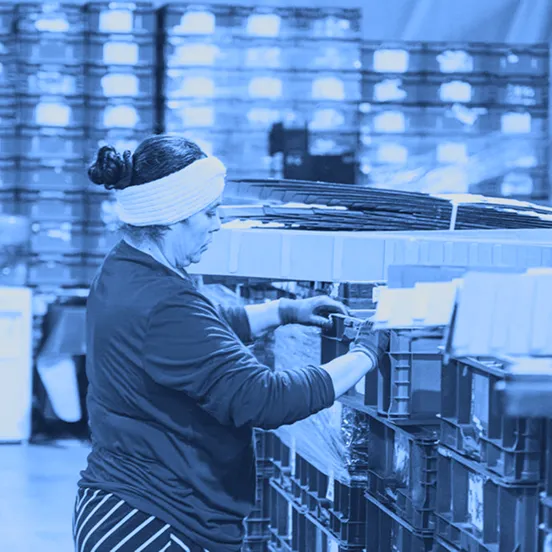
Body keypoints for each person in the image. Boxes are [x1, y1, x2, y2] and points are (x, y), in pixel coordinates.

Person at [73, 134, 389, 552]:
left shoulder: (126, 270)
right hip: (159, 523)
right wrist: (365, 353)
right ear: (174, 216)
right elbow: (264, 398)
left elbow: (196, 335)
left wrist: (282, 311)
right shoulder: (164, 301)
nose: (218, 224)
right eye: (209, 213)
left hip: (122, 502)